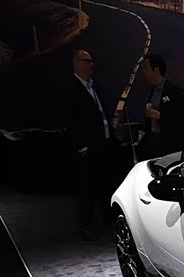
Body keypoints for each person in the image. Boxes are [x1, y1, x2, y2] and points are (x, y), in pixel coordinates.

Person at [69, 49, 115, 240]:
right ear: (77, 63)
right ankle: (86, 226)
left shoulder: (95, 86)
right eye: (87, 61)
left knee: (104, 183)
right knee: (88, 188)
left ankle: (107, 220)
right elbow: (72, 120)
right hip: (88, 147)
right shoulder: (71, 89)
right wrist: (82, 146)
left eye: (91, 61)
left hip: (103, 143)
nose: (91, 65)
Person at [136, 55, 184, 160]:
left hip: (170, 146)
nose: (143, 72)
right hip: (154, 144)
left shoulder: (174, 91)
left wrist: (161, 116)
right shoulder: (152, 91)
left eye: (146, 68)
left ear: (156, 70)